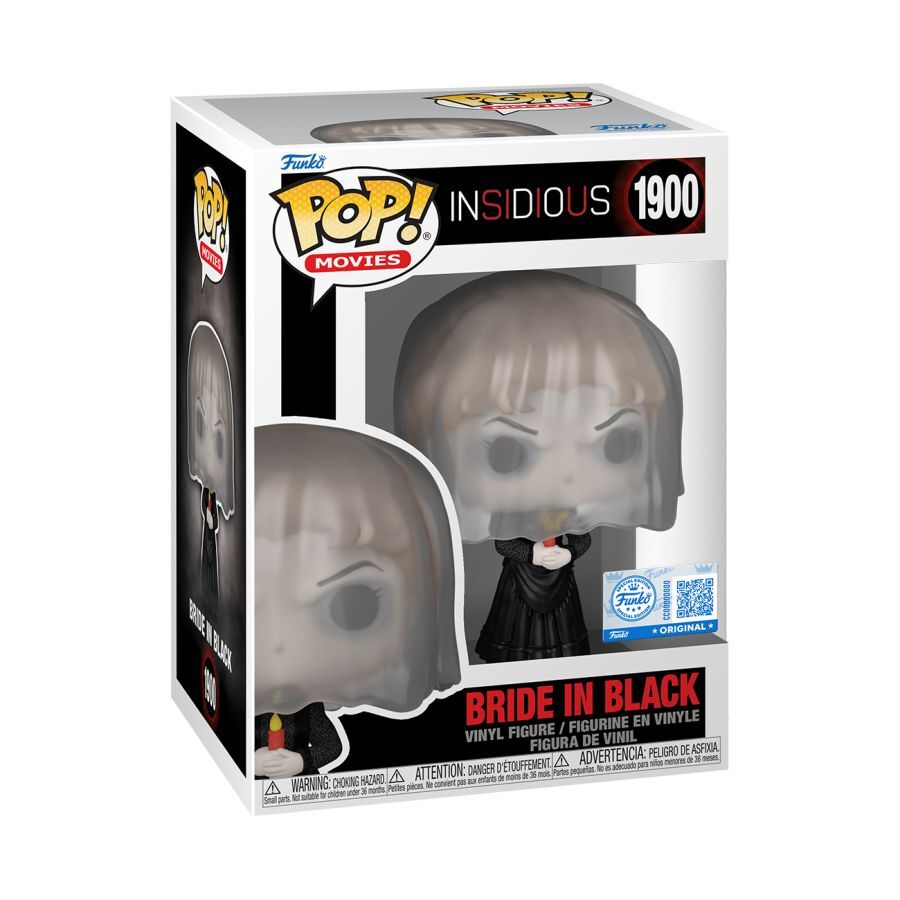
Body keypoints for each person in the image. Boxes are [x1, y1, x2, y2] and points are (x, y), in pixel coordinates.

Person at [394, 270, 684, 662]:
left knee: (563, 626)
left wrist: (569, 553)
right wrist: (531, 554)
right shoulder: (508, 512)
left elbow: (580, 537)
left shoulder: (572, 512)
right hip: (523, 580)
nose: (564, 477)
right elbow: (505, 541)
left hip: (559, 579)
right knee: (517, 624)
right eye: (506, 450)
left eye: (616, 443)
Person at [254, 424, 459, 778]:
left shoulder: (310, 711)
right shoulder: (247, 711)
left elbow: (330, 746)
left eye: (355, 602)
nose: (280, 647)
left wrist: (302, 761)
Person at [186, 322, 235, 607]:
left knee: (210, 566)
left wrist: (210, 520)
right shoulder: (205, 491)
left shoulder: (213, 494)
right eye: (199, 423)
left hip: (211, 540)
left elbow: (213, 524)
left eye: (218, 439)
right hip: (207, 538)